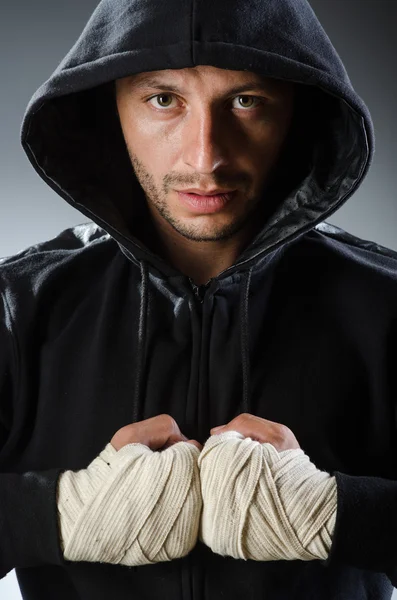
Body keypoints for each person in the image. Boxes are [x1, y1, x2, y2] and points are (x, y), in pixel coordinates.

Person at [1, 0, 397, 598]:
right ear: (111, 106)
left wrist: (337, 512)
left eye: (246, 100)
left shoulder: (386, 304)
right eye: (164, 99)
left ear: (297, 109)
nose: (205, 155)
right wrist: (59, 513)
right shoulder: (18, 306)